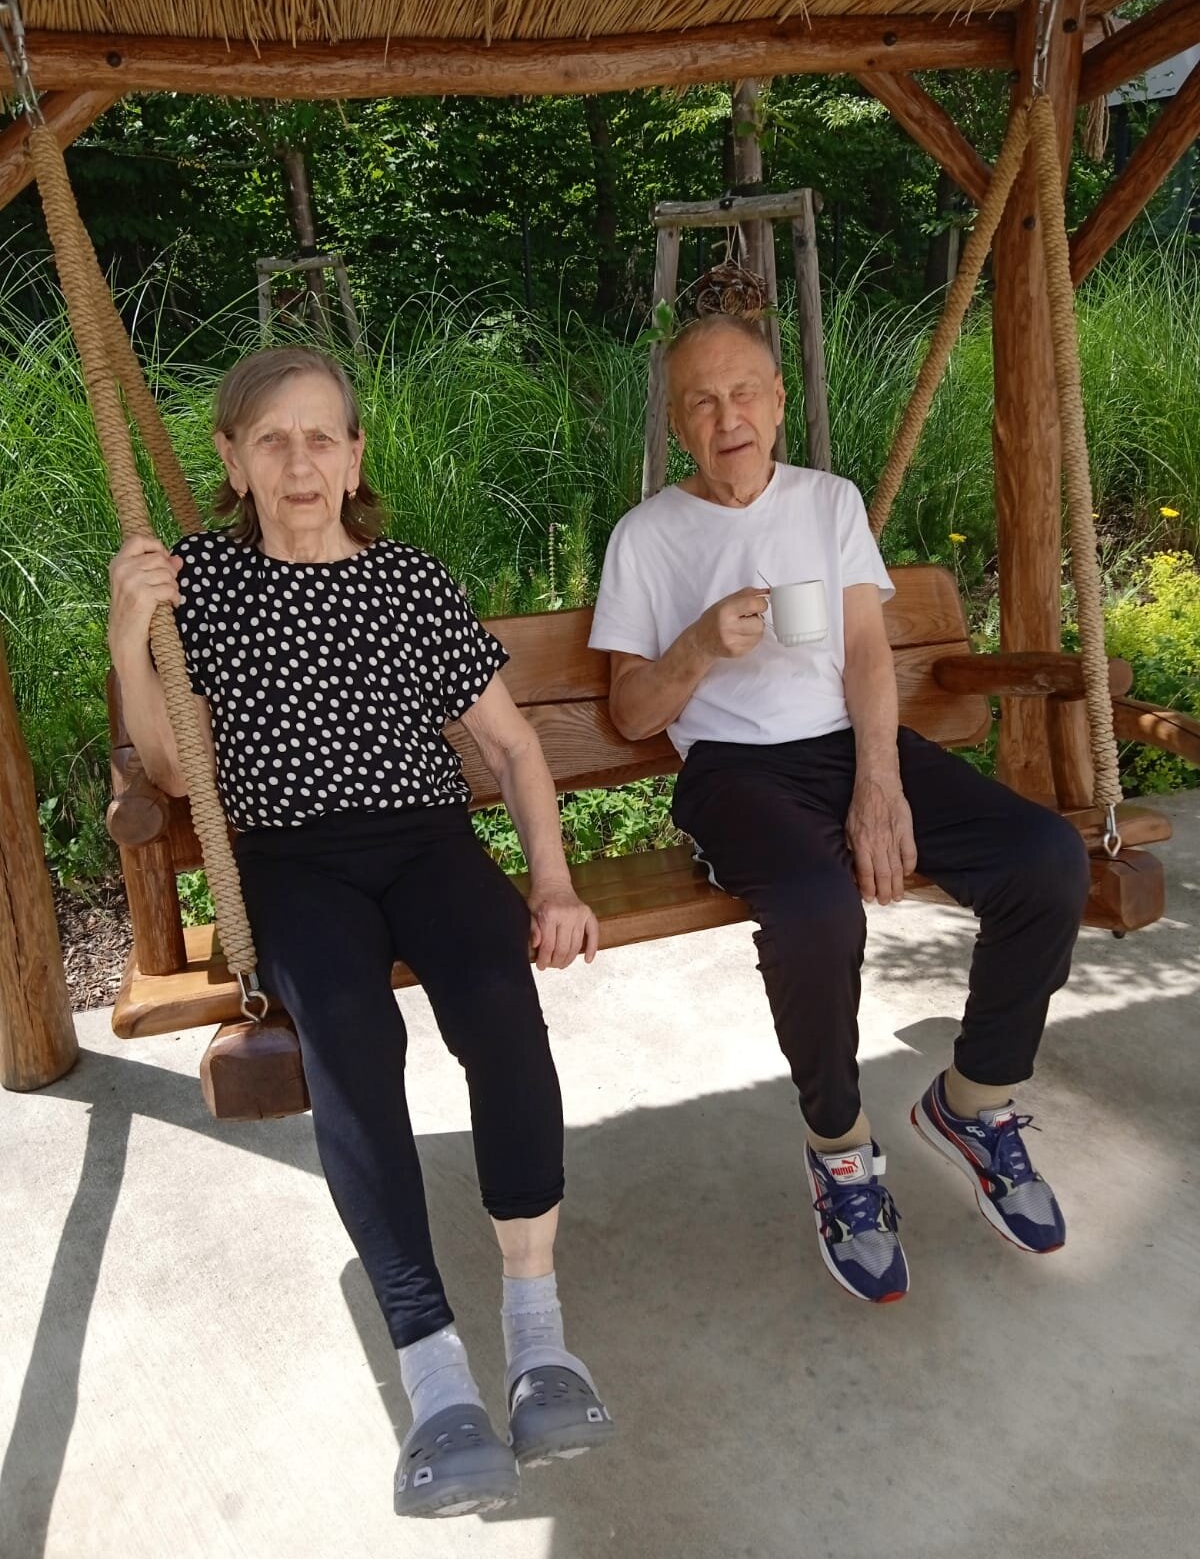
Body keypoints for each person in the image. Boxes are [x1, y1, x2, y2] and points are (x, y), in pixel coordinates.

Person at [108, 346, 614, 1517]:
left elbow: (514, 747)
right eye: (271, 440)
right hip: (292, 861)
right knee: (347, 1031)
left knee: (499, 997)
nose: (300, 462)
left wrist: (552, 883)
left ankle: (538, 1341)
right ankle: (435, 1378)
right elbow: (176, 773)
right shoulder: (202, 583)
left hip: (427, 843)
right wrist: (131, 637)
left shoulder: (410, 583)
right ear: (233, 459)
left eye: (321, 437)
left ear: (354, 457)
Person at [589, 311, 1089, 1305]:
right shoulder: (646, 537)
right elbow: (632, 711)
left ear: (778, 402)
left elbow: (864, 654)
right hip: (732, 769)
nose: (728, 417)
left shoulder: (829, 502)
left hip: (848, 743)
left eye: (744, 393)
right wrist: (699, 644)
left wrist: (879, 780)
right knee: (819, 912)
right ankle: (841, 1149)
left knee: (1046, 859)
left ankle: (974, 1102)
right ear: (679, 424)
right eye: (702, 402)